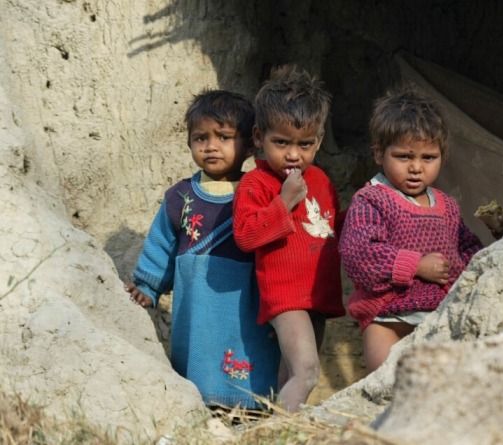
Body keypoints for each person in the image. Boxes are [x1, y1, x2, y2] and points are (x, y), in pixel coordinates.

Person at [124, 90, 280, 410]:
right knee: (200, 363)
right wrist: (146, 286)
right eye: (200, 138)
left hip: (246, 303)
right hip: (198, 306)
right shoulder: (180, 197)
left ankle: (253, 412)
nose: (210, 146)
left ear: (250, 144)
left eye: (224, 136)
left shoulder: (261, 192)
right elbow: (161, 245)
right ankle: (201, 411)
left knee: (251, 360)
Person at [338, 86, 483, 373]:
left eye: (428, 158)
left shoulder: (448, 206)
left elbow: (468, 251)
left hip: (437, 319)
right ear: (379, 153)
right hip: (387, 321)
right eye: (404, 156)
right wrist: (416, 265)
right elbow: (359, 255)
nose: (416, 167)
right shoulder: (372, 199)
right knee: (386, 390)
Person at [232, 65, 345, 412]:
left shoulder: (323, 180)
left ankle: (276, 421)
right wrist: (284, 201)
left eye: (305, 144)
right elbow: (247, 236)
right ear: (258, 138)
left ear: (319, 141)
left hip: (318, 295)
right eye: (281, 143)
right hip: (286, 296)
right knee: (308, 372)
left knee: (289, 374)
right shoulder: (257, 183)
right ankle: (280, 434)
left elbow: (330, 229)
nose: (294, 154)